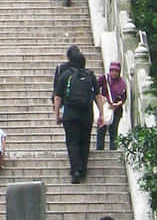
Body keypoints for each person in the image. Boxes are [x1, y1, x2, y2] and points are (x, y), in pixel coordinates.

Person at [55, 50, 97, 183]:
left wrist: (57, 114)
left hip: (70, 114)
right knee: (85, 141)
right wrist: (101, 113)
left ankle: (75, 171)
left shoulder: (66, 75)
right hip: (87, 114)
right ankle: (83, 168)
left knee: (72, 142)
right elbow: (98, 96)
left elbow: (57, 97)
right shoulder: (90, 75)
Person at [96, 61, 128, 149]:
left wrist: (117, 104)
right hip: (104, 109)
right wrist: (101, 97)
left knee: (113, 131)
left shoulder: (122, 83)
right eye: (112, 71)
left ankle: (113, 150)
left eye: (116, 71)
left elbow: (124, 97)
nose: (114, 73)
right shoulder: (104, 79)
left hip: (116, 110)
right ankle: (100, 150)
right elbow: (95, 88)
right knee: (101, 130)